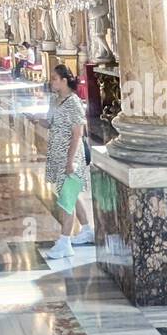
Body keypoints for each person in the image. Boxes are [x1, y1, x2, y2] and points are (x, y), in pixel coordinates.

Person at [43, 64, 93, 258]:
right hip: (57, 154)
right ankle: (87, 230)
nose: (51, 81)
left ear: (64, 80)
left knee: (66, 200)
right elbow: (50, 122)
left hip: (70, 156)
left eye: (55, 78)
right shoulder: (55, 100)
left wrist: (70, 161)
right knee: (71, 195)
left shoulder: (74, 103)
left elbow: (77, 134)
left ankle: (65, 242)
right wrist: (36, 120)